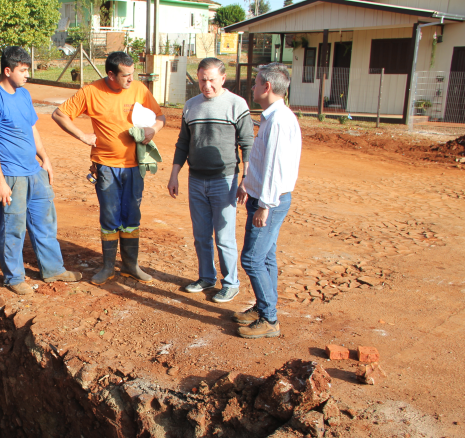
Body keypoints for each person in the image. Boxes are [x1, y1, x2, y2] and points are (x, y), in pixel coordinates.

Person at [52, 51, 166, 285]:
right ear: (111, 74)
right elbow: (59, 114)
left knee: (132, 215)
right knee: (110, 215)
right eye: (126, 76)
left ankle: (130, 265)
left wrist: (153, 130)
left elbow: (160, 117)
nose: (131, 80)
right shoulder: (91, 92)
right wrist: (82, 136)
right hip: (106, 167)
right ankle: (107, 267)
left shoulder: (139, 90)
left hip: (134, 166)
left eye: (133, 74)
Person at [0, 47, 81, 295]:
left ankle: (53, 269)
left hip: (33, 170)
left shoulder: (23, 94)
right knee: (13, 226)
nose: (28, 75)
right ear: (7, 70)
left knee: (44, 221)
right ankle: (14, 278)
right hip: (11, 175)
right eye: (23, 70)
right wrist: (0, 182)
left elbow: (32, 128)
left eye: (27, 69)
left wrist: (44, 158)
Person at [167, 57, 253, 303]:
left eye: (212, 80)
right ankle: (206, 277)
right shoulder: (191, 106)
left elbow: (248, 144)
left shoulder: (237, 104)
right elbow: (183, 143)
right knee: (201, 235)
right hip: (196, 180)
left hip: (224, 180)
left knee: (224, 236)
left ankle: (231, 283)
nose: (207, 86)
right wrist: (174, 174)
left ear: (223, 79)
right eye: (202, 80)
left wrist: (245, 178)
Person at [234, 63, 302, 338]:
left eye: (255, 82)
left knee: (251, 259)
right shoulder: (274, 116)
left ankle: (269, 319)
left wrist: (264, 205)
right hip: (267, 196)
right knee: (267, 256)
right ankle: (264, 307)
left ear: (267, 87)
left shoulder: (278, 121)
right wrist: (249, 185)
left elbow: (274, 167)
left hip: (270, 201)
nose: (252, 87)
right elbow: (264, 164)